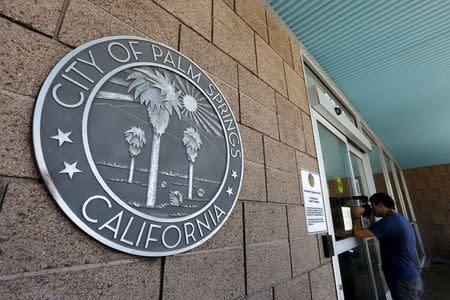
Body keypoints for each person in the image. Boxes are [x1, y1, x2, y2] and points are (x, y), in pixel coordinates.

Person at [352, 192, 423, 300]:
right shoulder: (397, 218)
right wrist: (371, 219)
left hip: (403, 281)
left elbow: (357, 233)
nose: (372, 209)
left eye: (373, 205)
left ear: (380, 205)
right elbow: (382, 235)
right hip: (409, 277)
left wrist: (356, 216)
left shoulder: (388, 222)